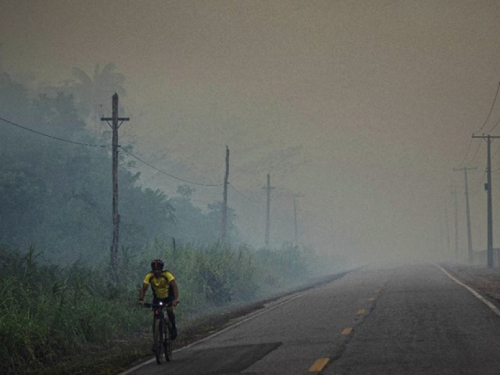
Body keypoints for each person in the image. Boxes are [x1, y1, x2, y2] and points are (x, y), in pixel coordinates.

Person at [139, 258, 179, 341]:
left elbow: (174, 286)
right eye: (154, 270)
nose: (156, 272)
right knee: (155, 317)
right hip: (157, 298)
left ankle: (173, 326)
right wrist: (141, 299)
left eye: (158, 270)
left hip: (168, 297)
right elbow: (143, 288)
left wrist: (175, 299)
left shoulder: (167, 274)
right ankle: (156, 340)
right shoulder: (149, 276)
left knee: (170, 310)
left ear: (161, 269)